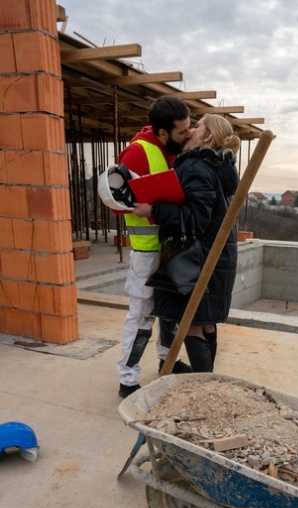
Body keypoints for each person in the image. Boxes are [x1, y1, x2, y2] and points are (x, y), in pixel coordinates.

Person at [132, 114, 241, 372]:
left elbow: (194, 220)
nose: (190, 130)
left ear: (208, 136)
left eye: (197, 125)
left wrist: (154, 209)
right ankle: (207, 383)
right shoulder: (218, 168)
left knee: (192, 323)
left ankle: (202, 387)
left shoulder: (196, 167)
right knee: (206, 322)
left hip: (199, 258)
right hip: (217, 255)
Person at [116, 96, 192, 398]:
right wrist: (144, 205)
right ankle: (128, 379)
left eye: (189, 128)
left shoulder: (174, 148)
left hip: (173, 247)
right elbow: (115, 201)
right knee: (142, 314)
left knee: (169, 310)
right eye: (181, 131)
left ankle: (167, 360)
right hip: (148, 251)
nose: (187, 134)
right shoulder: (137, 153)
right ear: (162, 132)